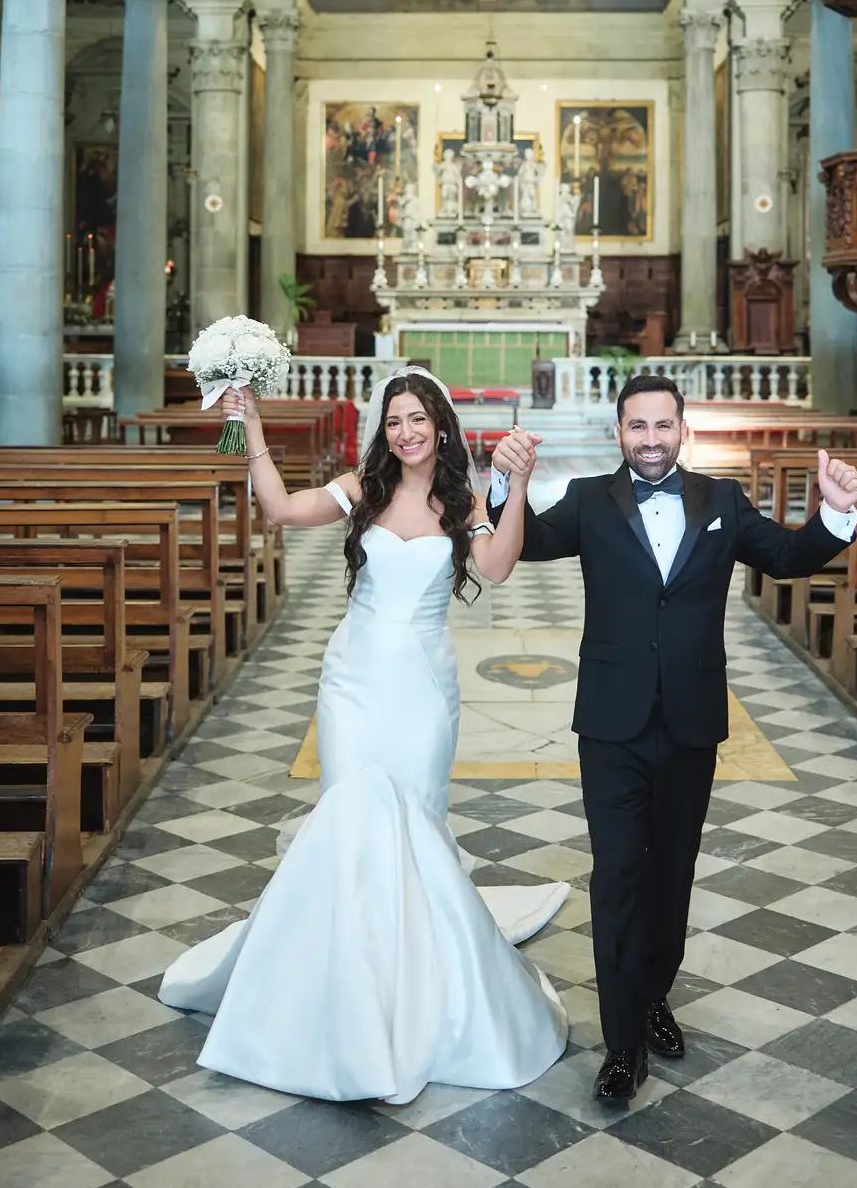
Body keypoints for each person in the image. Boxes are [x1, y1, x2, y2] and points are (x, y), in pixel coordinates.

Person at [158, 369, 569, 1104]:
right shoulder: (363, 488)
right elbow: (281, 509)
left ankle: (415, 992)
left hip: (422, 687)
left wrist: (519, 488)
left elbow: (499, 569)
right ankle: (337, 993)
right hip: (353, 680)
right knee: (347, 822)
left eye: (418, 419)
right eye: (395, 420)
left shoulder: (464, 501)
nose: (406, 431)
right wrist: (249, 425)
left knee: (414, 824)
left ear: (440, 425)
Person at [490, 373, 857, 1103]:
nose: (651, 439)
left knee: (672, 875)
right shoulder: (589, 500)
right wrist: (507, 488)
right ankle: (622, 1043)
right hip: (611, 722)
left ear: (681, 430)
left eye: (664, 426)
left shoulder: (720, 500)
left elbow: (786, 558)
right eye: (638, 427)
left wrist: (837, 515)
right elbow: (527, 544)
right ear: (619, 432)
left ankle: (653, 992)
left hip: (691, 717)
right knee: (620, 875)